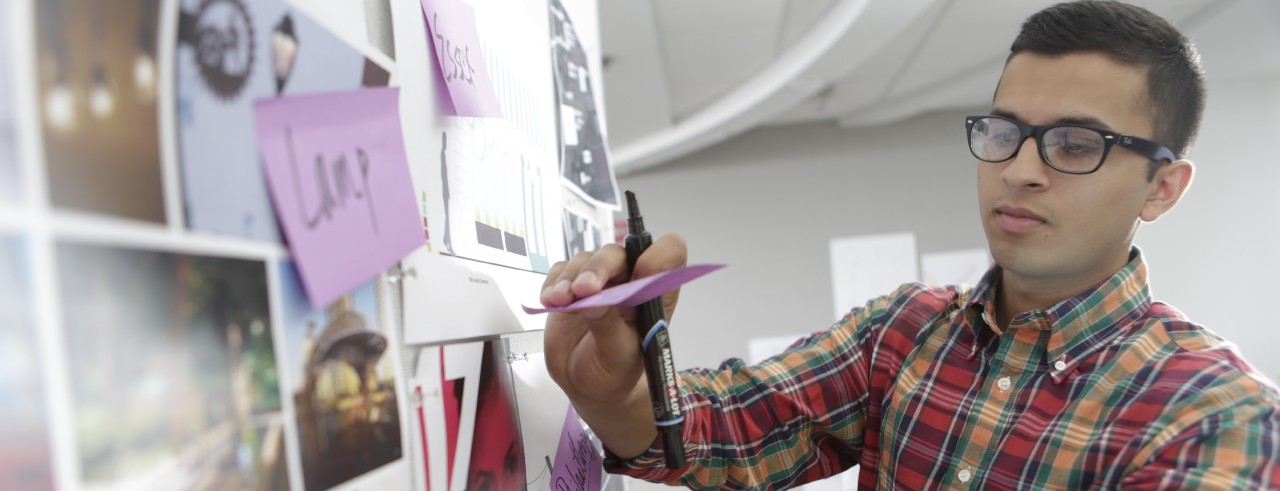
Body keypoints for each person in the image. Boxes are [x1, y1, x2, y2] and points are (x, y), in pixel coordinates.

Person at [538, 1, 1280, 489]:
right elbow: (729, 426)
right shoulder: (905, 331)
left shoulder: (1216, 417)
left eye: (1075, 143)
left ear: (1163, 188)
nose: (1019, 170)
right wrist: (619, 392)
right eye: (1005, 133)